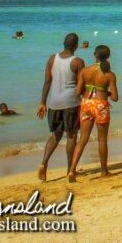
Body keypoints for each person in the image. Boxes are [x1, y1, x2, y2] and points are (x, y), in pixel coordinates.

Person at [36, 33, 84, 182]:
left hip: (53, 102)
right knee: (71, 135)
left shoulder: (52, 59)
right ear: (76, 45)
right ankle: (71, 170)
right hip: (71, 102)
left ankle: (44, 163)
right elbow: (80, 84)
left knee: (56, 135)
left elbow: (47, 82)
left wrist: (42, 102)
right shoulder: (77, 61)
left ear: (63, 43)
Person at [68, 45, 118, 182]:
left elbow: (78, 92)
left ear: (95, 55)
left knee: (82, 139)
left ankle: (71, 170)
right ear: (108, 56)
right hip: (100, 105)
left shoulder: (85, 71)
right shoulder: (109, 74)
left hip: (86, 104)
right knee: (102, 140)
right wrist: (105, 92)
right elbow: (115, 97)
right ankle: (104, 171)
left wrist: (88, 88)